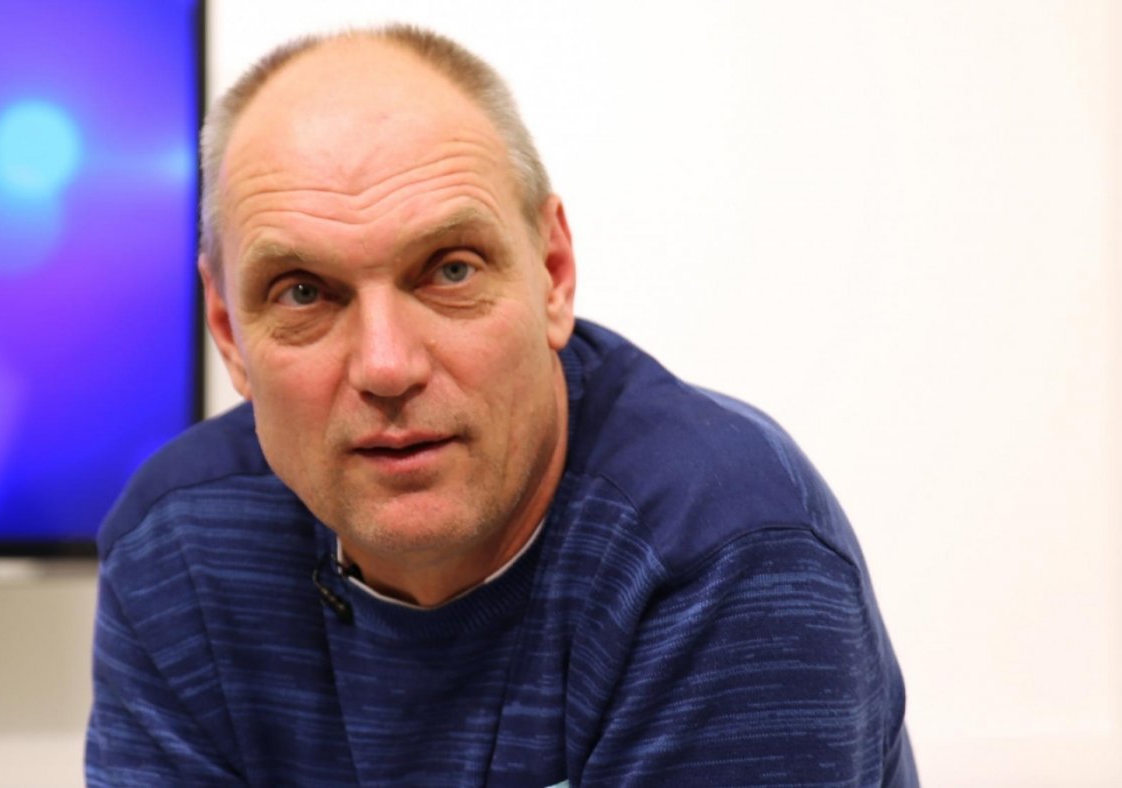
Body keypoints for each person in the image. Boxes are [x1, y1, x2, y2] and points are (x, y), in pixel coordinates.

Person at [86, 24, 917, 787]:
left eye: (450, 270)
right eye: (303, 292)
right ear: (228, 330)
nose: (386, 365)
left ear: (552, 275)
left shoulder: (720, 547)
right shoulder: (178, 549)